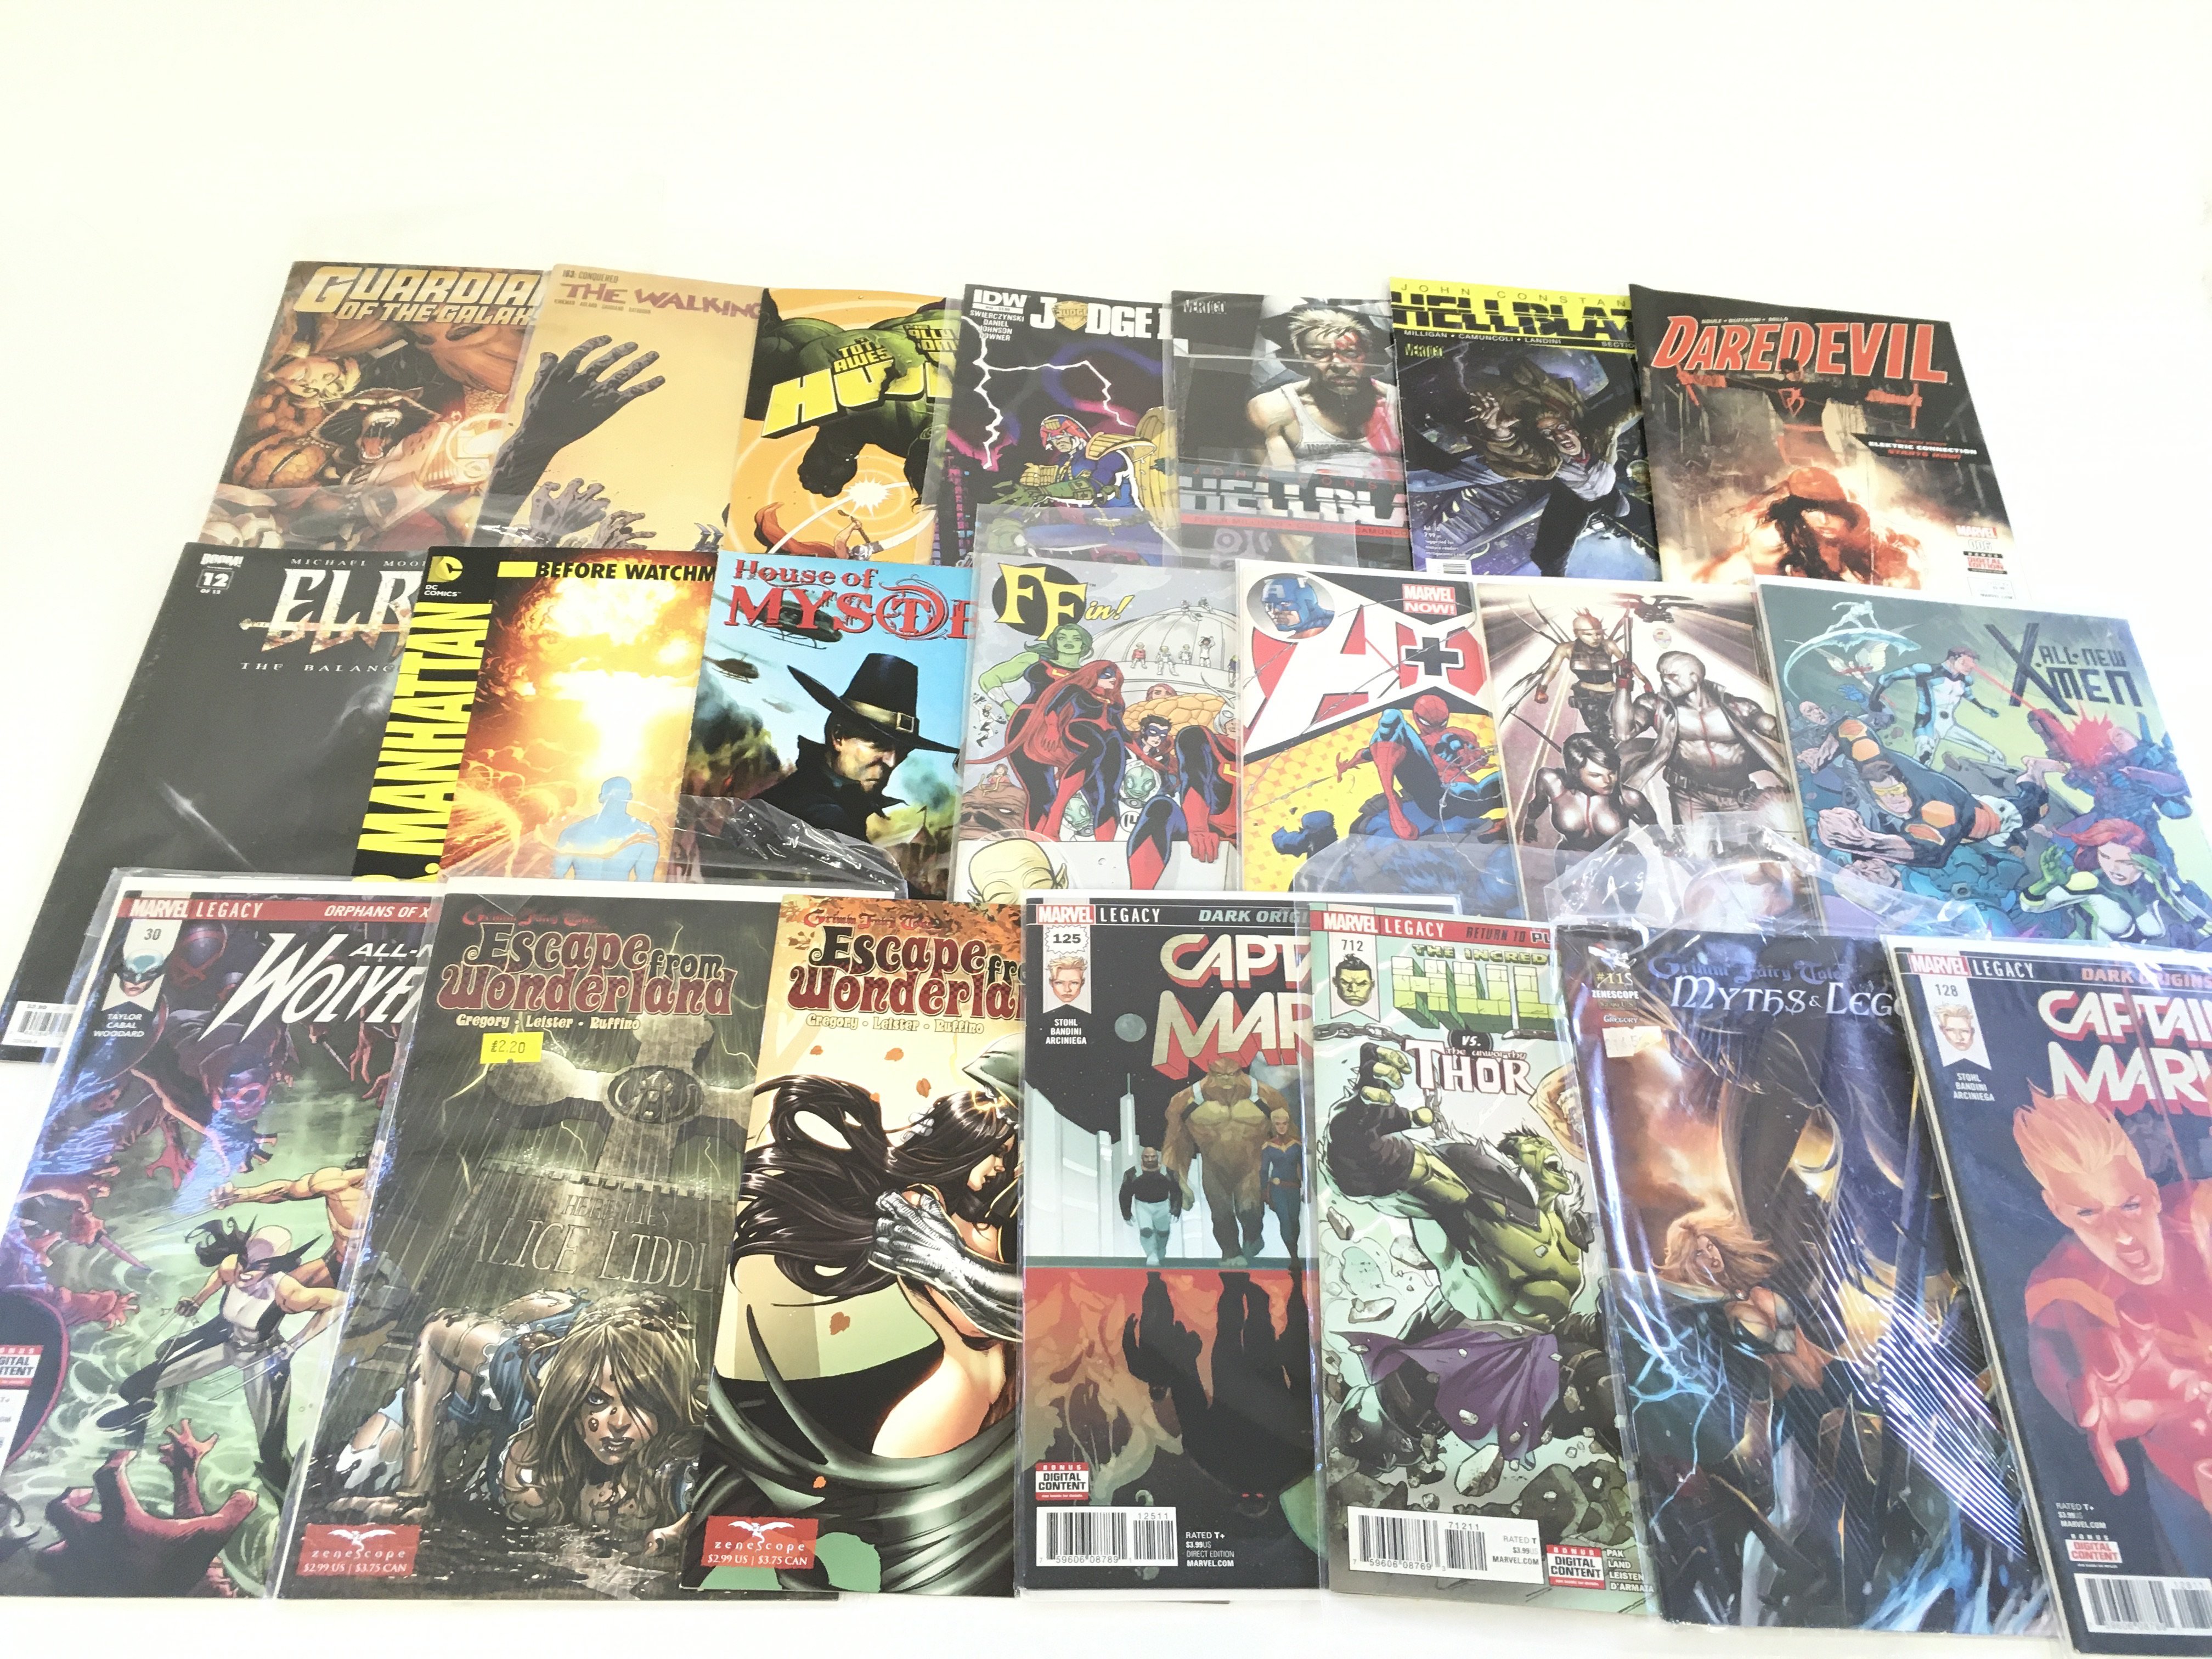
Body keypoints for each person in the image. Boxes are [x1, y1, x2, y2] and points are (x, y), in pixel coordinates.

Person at [2012, 1090, 2212, 1561]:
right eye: (2089, 1212)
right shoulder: (2065, 1285)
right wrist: (2095, 1405)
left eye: (2129, 1206)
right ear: (2058, 1210)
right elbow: (2057, 1366)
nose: (2121, 1235)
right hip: (2190, 1493)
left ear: (2151, 1193)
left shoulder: (2201, 1212)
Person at [758, 653, 958, 845]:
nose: (892, 762)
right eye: (878, 744)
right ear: (838, 737)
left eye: (903, 751)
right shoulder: (820, 813)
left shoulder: (834, 801)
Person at [1246, 306, 1400, 475]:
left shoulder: (1398, 406)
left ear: (1367, 356)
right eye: (1319, 353)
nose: (1339, 365)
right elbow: (1281, 484)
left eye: (1351, 353)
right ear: (1300, 358)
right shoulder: (1275, 409)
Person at [551, 777, 660, 880]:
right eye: (612, 794)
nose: (614, 797)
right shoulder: (645, 834)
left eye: (618, 793)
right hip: (602, 894)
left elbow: (556, 877)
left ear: (600, 797)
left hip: (591, 893)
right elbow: (645, 881)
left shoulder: (574, 831)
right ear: (630, 796)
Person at [1118, 1146, 1182, 1266]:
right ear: (1142, 1158)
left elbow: (1176, 1192)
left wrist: (1176, 1209)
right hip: (1143, 1206)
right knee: (1146, 1231)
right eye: (1147, 1157)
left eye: (1153, 1157)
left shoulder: (1167, 1173)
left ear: (1157, 1157)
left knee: (1163, 1233)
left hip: (1162, 1205)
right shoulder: (1133, 1174)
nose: (1150, 1159)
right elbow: (1125, 1194)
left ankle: (1161, 1249)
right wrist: (1126, 1213)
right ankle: (1151, 1255)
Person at [1259, 1107, 1304, 1258]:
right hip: (1277, 1189)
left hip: (1294, 1188)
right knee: (1285, 1220)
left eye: (1284, 1123)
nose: (1282, 1127)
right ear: (1274, 1125)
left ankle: (1295, 1249)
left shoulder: (1297, 1145)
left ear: (1288, 1124)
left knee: (1294, 1221)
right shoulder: (1268, 1147)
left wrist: (1308, 1189)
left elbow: (1304, 1169)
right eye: (1278, 1124)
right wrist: (1264, 1192)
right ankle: (1293, 1255)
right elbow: (1264, 1171)